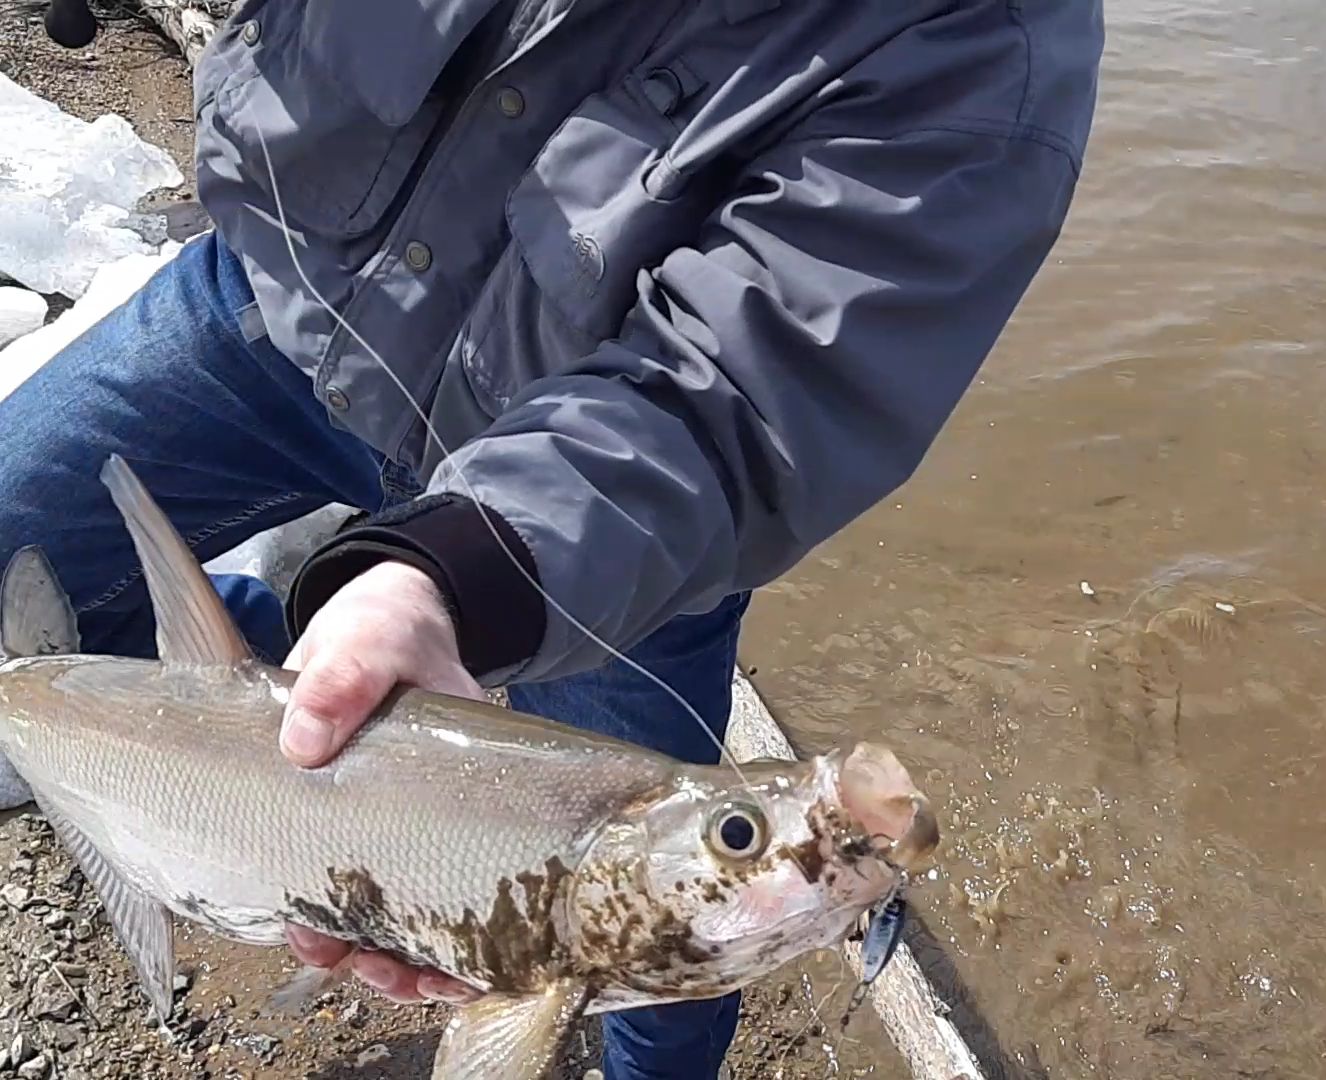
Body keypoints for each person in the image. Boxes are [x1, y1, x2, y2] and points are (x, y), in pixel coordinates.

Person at [0, 1, 1103, 1077]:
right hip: (289, 300)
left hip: (597, 535)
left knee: (674, 977)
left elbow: (748, 394)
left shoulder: (983, 37)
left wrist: (462, 573)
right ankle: (259, 681)